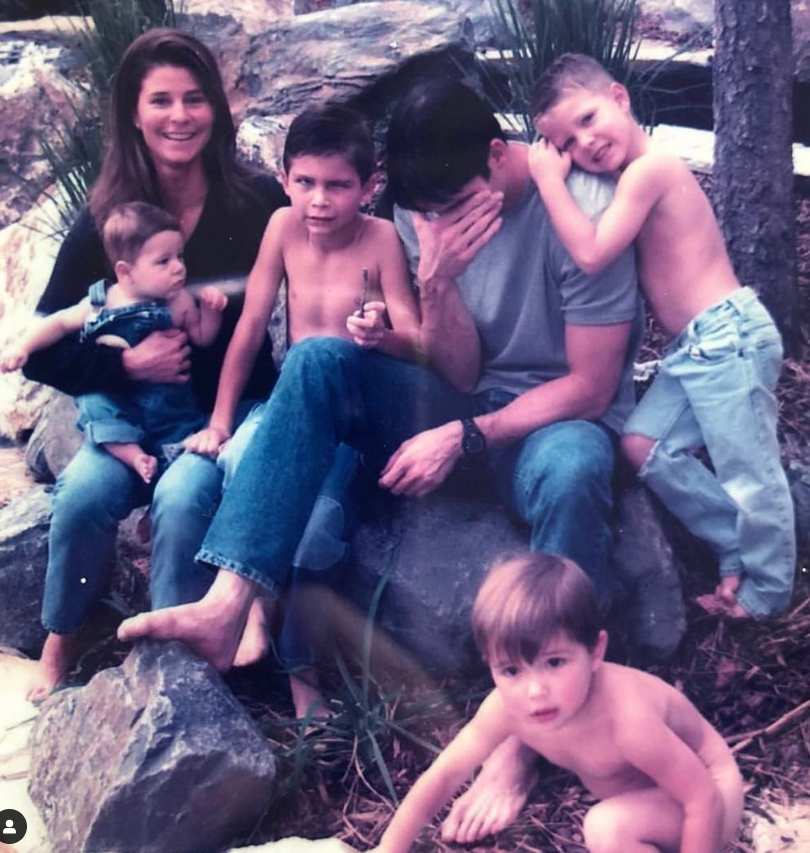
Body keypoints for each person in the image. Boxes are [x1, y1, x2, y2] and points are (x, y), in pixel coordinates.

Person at [117, 79, 640, 840]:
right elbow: (455, 374)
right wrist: (438, 279)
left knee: (573, 468)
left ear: (498, 158)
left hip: (549, 422)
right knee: (319, 360)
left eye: (449, 205)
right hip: (454, 402)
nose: (434, 221)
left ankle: (529, 740)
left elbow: (590, 388)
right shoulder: (422, 204)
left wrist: (465, 436)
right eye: (418, 211)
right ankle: (230, 603)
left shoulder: (579, 212)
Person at [20, 28, 288, 702]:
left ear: (217, 111)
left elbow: (315, 275)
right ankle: (61, 639)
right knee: (80, 495)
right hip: (128, 423)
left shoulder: (256, 203)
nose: (179, 116)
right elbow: (44, 348)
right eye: (161, 101)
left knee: (183, 497)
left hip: (213, 423)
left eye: (195, 99)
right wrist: (125, 368)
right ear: (133, 115)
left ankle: (172, 660)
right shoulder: (107, 221)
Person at [528, 53, 795, 620]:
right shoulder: (630, 178)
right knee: (643, 444)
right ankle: (732, 545)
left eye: (588, 119)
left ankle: (769, 592)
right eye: (566, 145)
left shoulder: (653, 170)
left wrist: (549, 180)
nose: (584, 144)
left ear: (620, 99)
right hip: (696, 350)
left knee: (750, 471)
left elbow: (593, 254)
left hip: (729, 338)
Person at [183, 101, 421, 715]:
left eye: (339, 185)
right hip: (289, 405)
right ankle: (251, 609)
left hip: (349, 414)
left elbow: (418, 340)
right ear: (285, 178)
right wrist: (219, 418)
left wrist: (382, 336)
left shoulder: (383, 239)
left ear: (370, 187)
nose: (319, 200)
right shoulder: (282, 228)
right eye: (306, 182)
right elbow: (252, 326)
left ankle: (301, 673)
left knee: (318, 531)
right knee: (236, 457)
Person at [371, 553, 744, 853]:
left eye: (554, 663)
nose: (535, 691)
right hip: (648, 798)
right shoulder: (504, 708)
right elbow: (445, 775)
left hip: (711, 796)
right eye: (511, 670)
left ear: (595, 650)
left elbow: (702, 798)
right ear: (491, 667)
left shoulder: (627, 721)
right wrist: (390, 847)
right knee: (612, 822)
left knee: (607, 827)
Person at [4, 202, 227, 484]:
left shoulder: (179, 301)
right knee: (95, 403)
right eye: (163, 261)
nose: (178, 269)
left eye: (180, 257)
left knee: (181, 434)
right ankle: (133, 455)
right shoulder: (102, 301)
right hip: (114, 397)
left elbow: (202, 337)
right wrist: (22, 348)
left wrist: (211, 312)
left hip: (166, 404)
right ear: (125, 272)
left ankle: (158, 492)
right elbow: (58, 323)